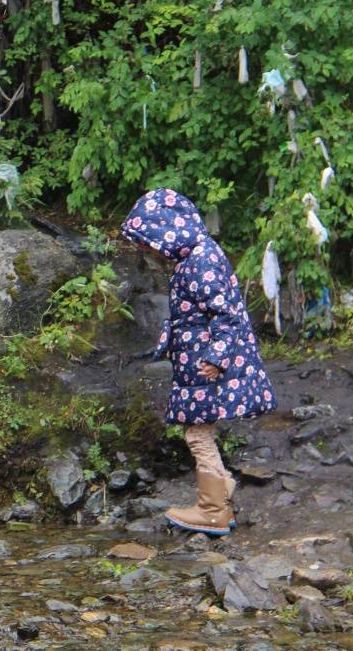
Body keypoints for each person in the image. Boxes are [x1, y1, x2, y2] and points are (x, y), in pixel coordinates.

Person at [121, 188, 276, 536]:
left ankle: (212, 510)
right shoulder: (194, 257)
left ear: (166, 231)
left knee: (196, 433)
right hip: (201, 362)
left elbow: (225, 314)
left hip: (209, 366)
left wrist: (217, 358)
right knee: (198, 429)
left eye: (148, 242)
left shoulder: (200, 261)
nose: (147, 250)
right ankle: (221, 502)